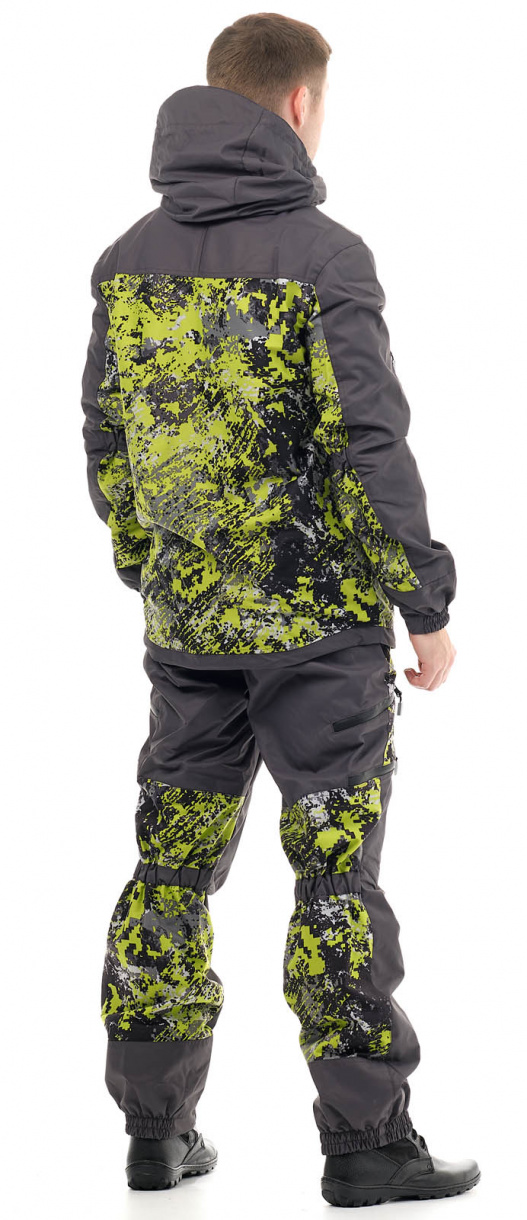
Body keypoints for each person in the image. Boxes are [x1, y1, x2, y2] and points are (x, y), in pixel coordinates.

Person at [80, 11, 480, 1206]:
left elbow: (106, 439)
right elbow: (367, 441)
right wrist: (422, 601)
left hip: (188, 633)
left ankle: (154, 1132)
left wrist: (160, 569)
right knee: (333, 879)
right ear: (299, 105)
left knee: (170, 865)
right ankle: (365, 1143)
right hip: (317, 639)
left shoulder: (126, 258)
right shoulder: (323, 254)